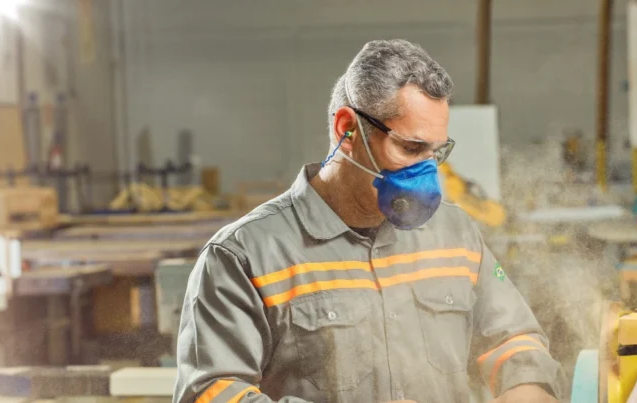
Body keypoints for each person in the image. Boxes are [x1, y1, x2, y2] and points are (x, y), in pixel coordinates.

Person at [173, 39, 566, 403]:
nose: (427, 172)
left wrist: (526, 389)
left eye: (435, 152)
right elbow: (212, 391)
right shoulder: (246, 256)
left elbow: (514, 340)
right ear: (347, 129)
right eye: (411, 148)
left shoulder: (456, 235)